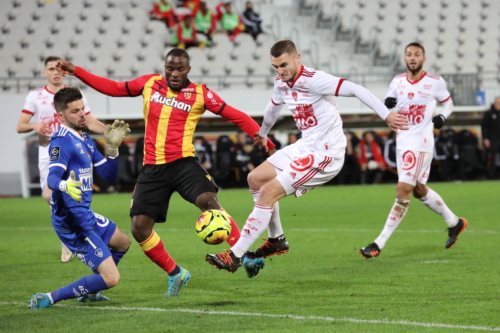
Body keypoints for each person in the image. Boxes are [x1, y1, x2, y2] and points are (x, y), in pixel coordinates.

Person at [55, 48, 276, 296]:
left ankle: (242, 256)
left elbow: (233, 113)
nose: (174, 73)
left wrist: (261, 134)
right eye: (170, 68)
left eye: (179, 69)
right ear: (165, 67)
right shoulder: (149, 84)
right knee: (139, 228)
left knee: (209, 201)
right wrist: (78, 72)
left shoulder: (201, 94)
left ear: (188, 69)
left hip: (184, 163)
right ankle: (176, 273)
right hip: (152, 168)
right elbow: (113, 88)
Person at [205, 39, 408, 273]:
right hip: (305, 146)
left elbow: (355, 89)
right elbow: (273, 107)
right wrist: (262, 133)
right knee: (255, 179)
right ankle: (276, 239)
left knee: (268, 192)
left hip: (326, 153)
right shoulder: (281, 82)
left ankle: (235, 255)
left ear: (297, 58)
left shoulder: (315, 80)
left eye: (284, 65)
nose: (280, 72)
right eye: (275, 67)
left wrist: (386, 115)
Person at [359, 42, 468, 259]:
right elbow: (388, 106)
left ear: (423, 59)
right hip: (403, 142)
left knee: (402, 190)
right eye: (409, 54)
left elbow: (448, 103)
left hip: (420, 143)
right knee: (418, 189)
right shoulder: (397, 81)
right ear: (405, 58)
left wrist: (442, 117)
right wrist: (388, 104)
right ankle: (455, 222)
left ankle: (378, 243)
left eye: (417, 54)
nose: (412, 58)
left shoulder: (435, 82)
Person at [28, 87, 131, 309]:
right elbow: (52, 178)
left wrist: (112, 150)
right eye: (75, 111)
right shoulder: (61, 142)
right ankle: (50, 297)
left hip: (85, 214)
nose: (82, 114)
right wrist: (64, 185)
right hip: (72, 222)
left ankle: (92, 292)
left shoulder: (84, 138)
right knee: (112, 279)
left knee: (123, 242)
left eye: (83, 108)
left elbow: (108, 176)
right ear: (60, 116)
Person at [16, 56, 106, 263]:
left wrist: (110, 132)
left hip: (74, 150)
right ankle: (70, 236)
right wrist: (35, 126)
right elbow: (20, 125)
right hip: (48, 153)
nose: (56, 72)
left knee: (77, 194)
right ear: (45, 73)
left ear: (64, 72)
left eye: (59, 69)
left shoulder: (75, 95)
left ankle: (79, 236)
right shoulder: (35, 96)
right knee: (50, 195)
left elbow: (90, 121)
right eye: (51, 69)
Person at [481, 96, 500, 179]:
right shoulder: (489, 113)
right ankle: (491, 175)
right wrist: (485, 138)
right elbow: (484, 126)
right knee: (492, 157)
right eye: (497, 102)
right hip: (493, 139)